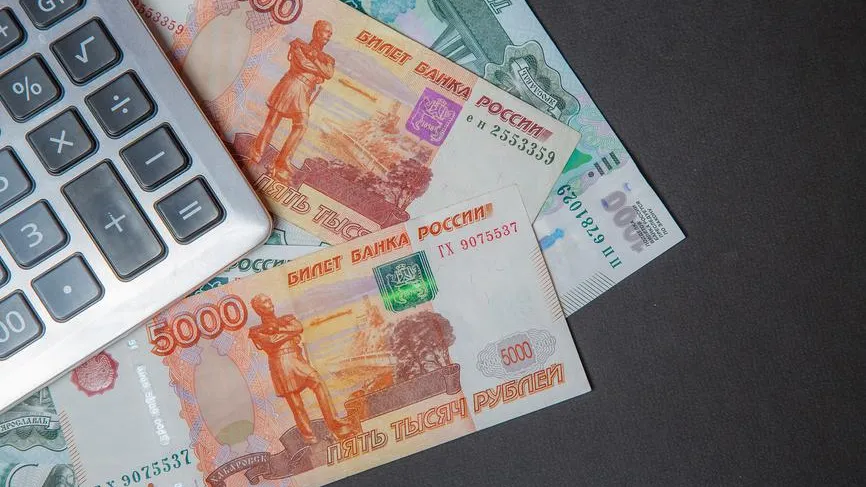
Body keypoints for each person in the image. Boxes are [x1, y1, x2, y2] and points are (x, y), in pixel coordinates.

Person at [248, 293, 355, 443]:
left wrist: (278, 330)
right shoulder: (256, 330)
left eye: (269, 299)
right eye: (265, 302)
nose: (270, 303)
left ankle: (333, 421)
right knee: (296, 404)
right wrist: (289, 332)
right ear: (259, 309)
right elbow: (271, 342)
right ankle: (309, 437)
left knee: (317, 381)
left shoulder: (286, 318)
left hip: (296, 359)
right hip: (280, 365)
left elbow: (298, 327)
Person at [250, 20, 335, 179]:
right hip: (291, 85)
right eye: (326, 31)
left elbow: (329, 74)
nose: (328, 36)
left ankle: (283, 160)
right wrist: (318, 71)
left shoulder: (328, 58)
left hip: (305, 91)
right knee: (273, 121)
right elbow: (303, 63)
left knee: (301, 125)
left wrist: (316, 59)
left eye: (330, 33)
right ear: (317, 32)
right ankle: (257, 154)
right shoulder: (298, 45)